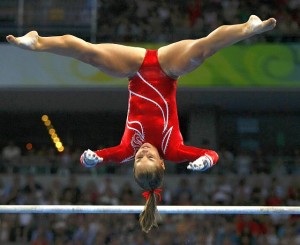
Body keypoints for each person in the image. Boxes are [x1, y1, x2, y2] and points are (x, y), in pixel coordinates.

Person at [6, 15, 276, 232]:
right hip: (169, 68)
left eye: (138, 159)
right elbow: (212, 154)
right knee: (201, 50)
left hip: (133, 68)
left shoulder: (127, 149)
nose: (143, 151)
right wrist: (207, 161)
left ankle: (37, 42)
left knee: (87, 53)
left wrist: (89, 159)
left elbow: (97, 157)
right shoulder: (173, 150)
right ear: (161, 163)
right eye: (149, 156)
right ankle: (246, 28)